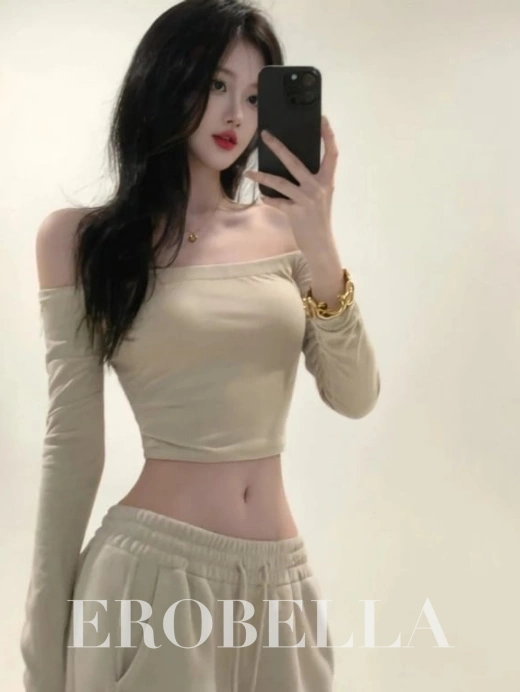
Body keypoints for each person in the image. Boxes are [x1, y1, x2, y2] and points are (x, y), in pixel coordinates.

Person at [20, 1, 381, 690]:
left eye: (254, 95)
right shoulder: (81, 242)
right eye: (216, 84)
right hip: (150, 579)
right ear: (165, 78)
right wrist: (42, 660)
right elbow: (72, 449)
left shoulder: (286, 234)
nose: (235, 114)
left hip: (280, 589)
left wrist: (320, 239)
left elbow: (356, 395)